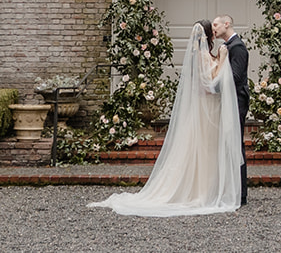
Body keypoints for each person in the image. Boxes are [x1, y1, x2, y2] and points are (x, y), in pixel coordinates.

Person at [89, 18, 243, 216]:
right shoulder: (203, 56)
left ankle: (206, 190)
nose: (215, 30)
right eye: (211, 28)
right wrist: (222, 58)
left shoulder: (204, 53)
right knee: (203, 150)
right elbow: (211, 85)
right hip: (206, 110)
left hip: (210, 110)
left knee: (207, 150)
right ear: (206, 35)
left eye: (216, 26)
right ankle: (201, 194)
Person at [213, 14, 250, 205]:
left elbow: (235, 77)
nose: (214, 28)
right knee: (229, 145)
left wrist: (214, 83)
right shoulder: (228, 47)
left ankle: (241, 193)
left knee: (236, 145)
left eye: (216, 24)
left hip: (237, 101)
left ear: (227, 24)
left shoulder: (238, 47)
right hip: (230, 100)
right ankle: (230, 189)